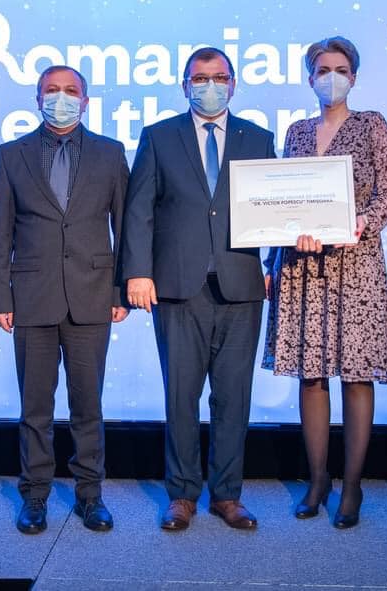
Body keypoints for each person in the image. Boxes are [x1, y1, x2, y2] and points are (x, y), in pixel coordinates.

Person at [121, 47, 276, 531]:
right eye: (200, 78)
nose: (210, 86)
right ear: (184, 85)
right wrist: (137, 272)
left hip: (241, 286)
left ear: (234, 84)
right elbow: (138, 210)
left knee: (233, 398)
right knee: (181, 397)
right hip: (176, 288)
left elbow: (275, 209)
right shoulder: (159, 136)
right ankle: (182, 494)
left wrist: (274, 262)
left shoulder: (258, 138)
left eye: (219, 78)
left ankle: (227, 495)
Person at [263, 37, 387, 529]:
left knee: (357, 374)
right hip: (303, 267)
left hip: (355, 263)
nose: (331, 77)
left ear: (354, 77)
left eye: (340, 69)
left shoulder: (371, 125)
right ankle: (318, 479)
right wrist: (278, 247)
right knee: (312, 373)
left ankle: (353, 484)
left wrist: (362, 222)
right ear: (310, 78)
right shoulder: (297, 132)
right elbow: (285, 199)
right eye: (322, 70)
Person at [0, 65, 130, 535]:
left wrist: (121, 290)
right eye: (52, 90)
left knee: (88, 407)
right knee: (35, 409)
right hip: (31, 297)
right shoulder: (12, 155)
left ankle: (91, 495)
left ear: (85, 102)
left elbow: (125, 228)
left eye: (70, 91)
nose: (61, 98)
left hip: (92, 297)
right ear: (37, 99)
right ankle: (35, 496)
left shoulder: (110, 153)